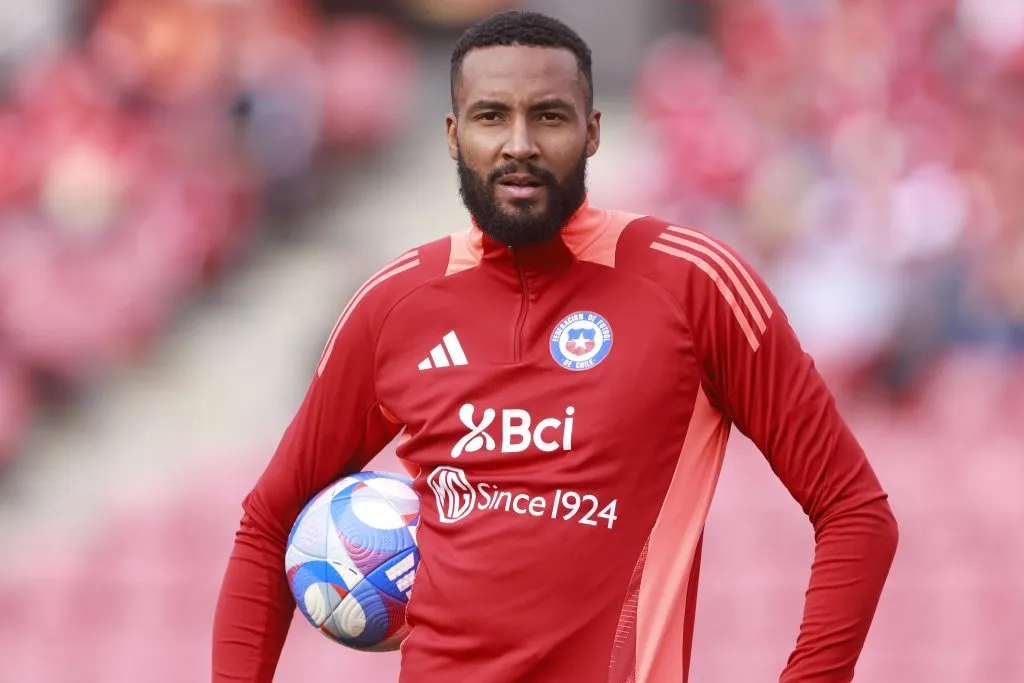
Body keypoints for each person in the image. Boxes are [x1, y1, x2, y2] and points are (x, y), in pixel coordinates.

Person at [212, 10, 898, 683]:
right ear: (453, 135)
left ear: (592, 132)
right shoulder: (396, 303)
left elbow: (854, 511)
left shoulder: (693, 284)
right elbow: (268, 523)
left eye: (549, 115)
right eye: (490, 117)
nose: (519, 143)